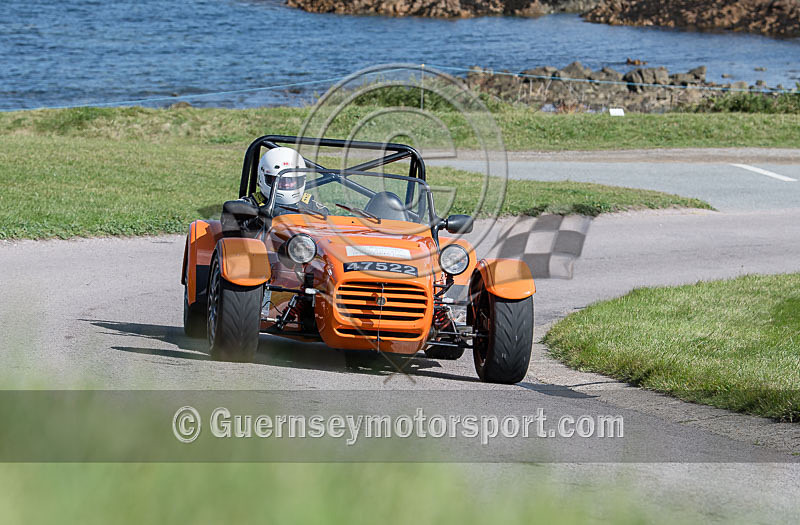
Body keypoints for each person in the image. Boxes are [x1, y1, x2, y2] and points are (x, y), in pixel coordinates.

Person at [221, 147, 327, 235]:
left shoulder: (312, 206)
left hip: (304, 253)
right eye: (277, 180)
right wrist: (258, 218)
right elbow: (230, 216)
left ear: (302, 179)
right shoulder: (251, 204)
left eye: (292, 180)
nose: (286, 184)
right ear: (262, 178)